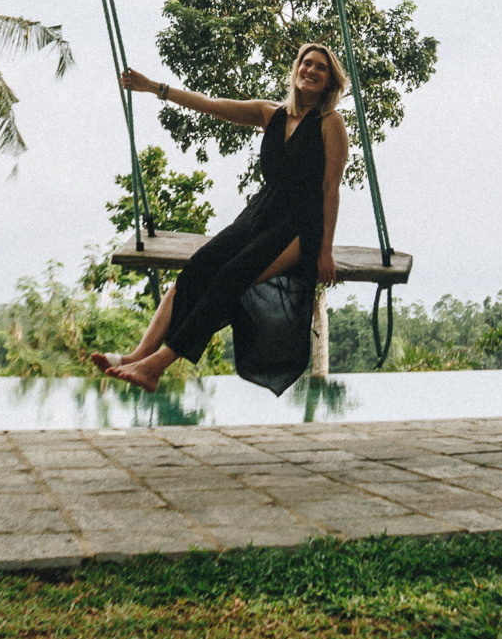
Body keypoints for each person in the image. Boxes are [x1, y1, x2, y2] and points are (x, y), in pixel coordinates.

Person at [94, 44, 348, 392]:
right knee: (196, 270)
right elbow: (210, 105)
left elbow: (331, 189)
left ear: (330, 80)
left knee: (230, 278)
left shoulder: (330, 123)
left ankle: (156, 366)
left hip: (300, 226)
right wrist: (153, 87)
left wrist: (325, 251)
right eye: (307, 63)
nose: (312, 70)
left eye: (321, 67)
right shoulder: (269, 113)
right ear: (296, 69)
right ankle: (137, 355)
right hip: (260, 214)